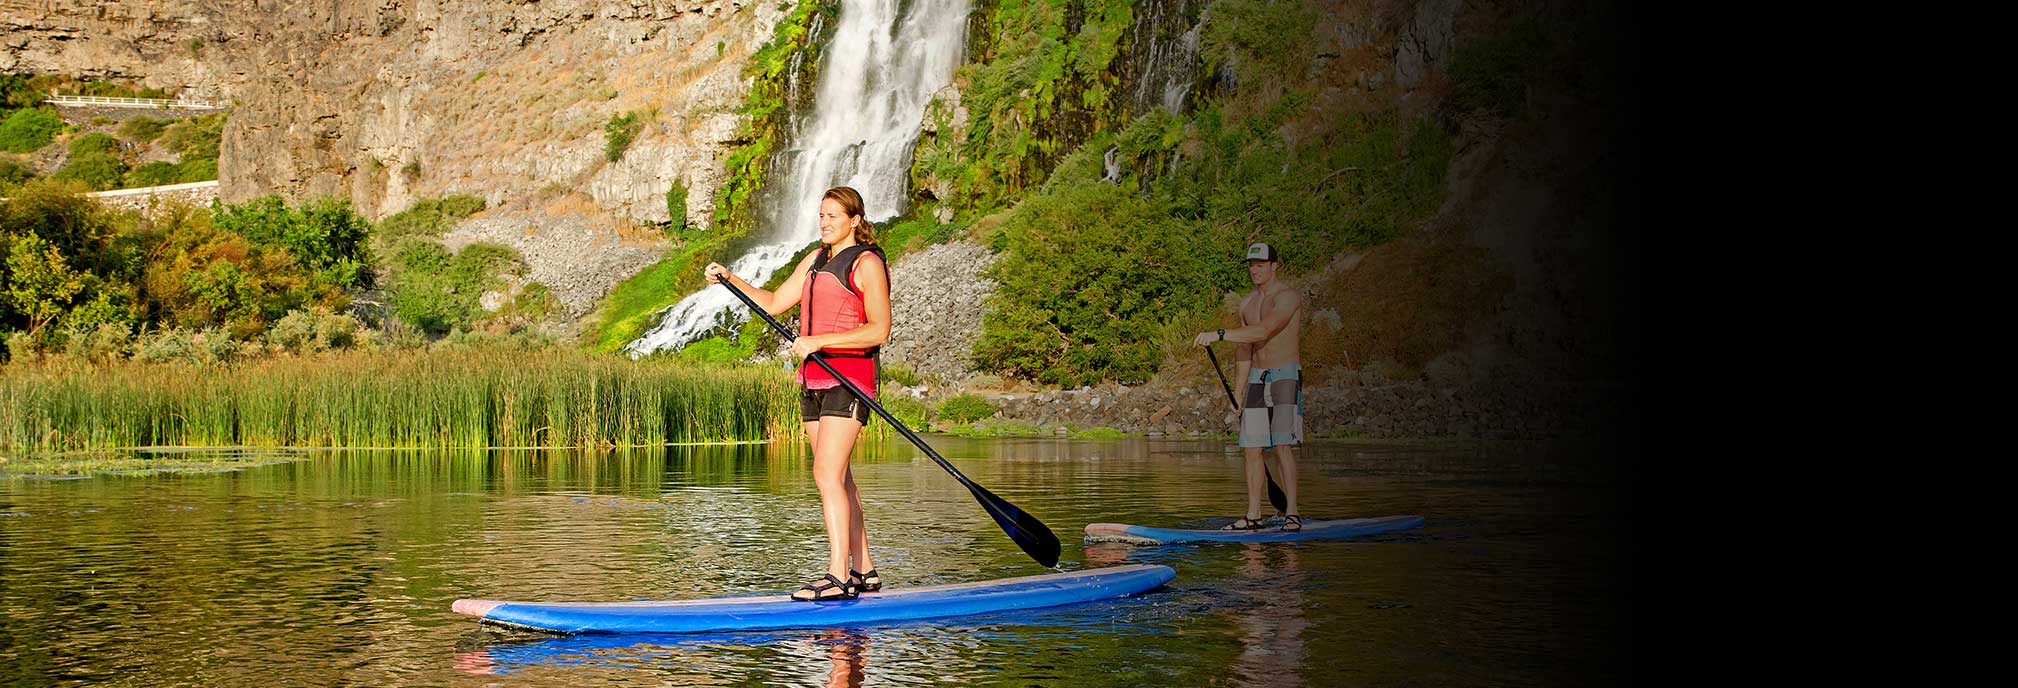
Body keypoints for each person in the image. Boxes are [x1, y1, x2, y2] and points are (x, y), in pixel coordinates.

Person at [705, 186, 891, 600]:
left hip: (849, 380)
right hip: (812, 383)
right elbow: (772, 303)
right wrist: (730, 280)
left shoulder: (866, 263)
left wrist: (819, 341)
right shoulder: (814, 260)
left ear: (855, 220)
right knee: (839, 477)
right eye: (820, 215)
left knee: (825, 474)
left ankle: (838, 575)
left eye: (832, 215)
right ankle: (865, 569)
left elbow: (879, 329)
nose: (824, 222)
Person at [1194, 242, 1305, 531]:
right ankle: (1253, 515)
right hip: (1257, 376)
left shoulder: (1288, 297)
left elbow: (1265, 330)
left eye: (1260, 264)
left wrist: (1219, 334)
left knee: (1282, 444)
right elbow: (1245, 348)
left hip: (1285, 375)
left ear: (1274, 266)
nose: (1254, 269)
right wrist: (1239, 394)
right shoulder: (1247, 303)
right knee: (1251, 448)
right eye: (1251, 265)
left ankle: (1292, 512)